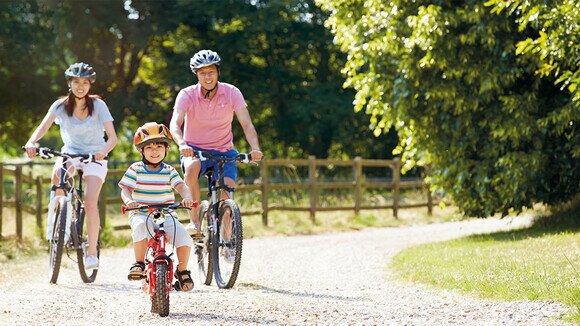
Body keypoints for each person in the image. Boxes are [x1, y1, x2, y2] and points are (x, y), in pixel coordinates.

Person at [24, 62, 117, 270]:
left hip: (95, 155)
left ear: (90, 84)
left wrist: (103, 151)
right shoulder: (59, 106)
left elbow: (113, 138)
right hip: (71, 153)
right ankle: (58, 225)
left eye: (85, 82)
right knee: (58, 173)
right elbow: (43, 127)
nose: (80, 86)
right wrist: (32, 142)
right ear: (70, 84)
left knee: (90, 201)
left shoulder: (99, 106)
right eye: (76, 82)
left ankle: (91, 252)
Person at [170, 49, 263, 240]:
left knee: (226, 194)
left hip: (224, 151)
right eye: (202, 72)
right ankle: (195, 222)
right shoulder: (186, 94)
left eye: (211, 71)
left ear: (218, 72)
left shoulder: (232, 93)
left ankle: (228, 239)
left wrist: (255, 148)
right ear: (196, 74)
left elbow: (247, 124)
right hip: (194, 151)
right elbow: (175, 123)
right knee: (192, 167)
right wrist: (181, 144)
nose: (207, 76)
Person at [119, 122, 195, 291]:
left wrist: (187, 197)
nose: (155, 151)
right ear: (141, 151)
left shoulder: (169, 170)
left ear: (166, 149)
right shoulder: (135, 169)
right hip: (142, 213)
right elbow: (125, 189)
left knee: (184, 236)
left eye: (159, 146)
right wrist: (130, 201)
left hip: (165, 214)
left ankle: (182, 271)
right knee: (139, 227)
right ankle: (138, 263)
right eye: (149, 148)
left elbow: (181, 186)